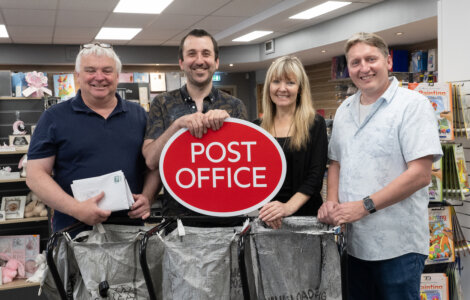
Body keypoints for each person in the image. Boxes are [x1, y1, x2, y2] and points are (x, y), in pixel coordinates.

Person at [317, 32, 443, 300]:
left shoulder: (413, 106)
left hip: (399, 247)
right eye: (355, 62)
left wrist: (363, 207)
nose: (364, 68)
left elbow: (420, 175)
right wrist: (331, 201)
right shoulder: (345, 109)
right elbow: (336, 161)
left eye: (370, 59)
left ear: (387, 61)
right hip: (354, 245)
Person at [26, 43, 160, 233]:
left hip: (129, 232)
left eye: (107, 71)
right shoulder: (54, 117)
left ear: (116, 76)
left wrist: (148, 197)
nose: (99, 77)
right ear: (78, 75)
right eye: (90, 70)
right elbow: (35, 175)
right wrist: (76, 208)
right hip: (74, 234)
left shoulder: (139, 115)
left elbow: (153, 166)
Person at [143, 29, 248, 216]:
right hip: (177, 222)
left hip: (227, 219)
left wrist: (230, 126)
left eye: (206, 54)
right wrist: (177, 126)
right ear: (181, 63)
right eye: (192, 54)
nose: (199, 60)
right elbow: (151, 160)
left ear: (216, 62)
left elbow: (247, 164)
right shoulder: (162, 103)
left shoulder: (234, 106)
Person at [255, 56, 328, 229]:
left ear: (300, 88)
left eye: (290, 83)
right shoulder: (256, 128)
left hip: (306, 219)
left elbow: (315, 177)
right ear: (268, 87)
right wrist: (268, 210)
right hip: (268, 218)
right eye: (276, 81)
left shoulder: (315, 124)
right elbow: (252, 177)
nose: (282, 88)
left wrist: (287, 208)